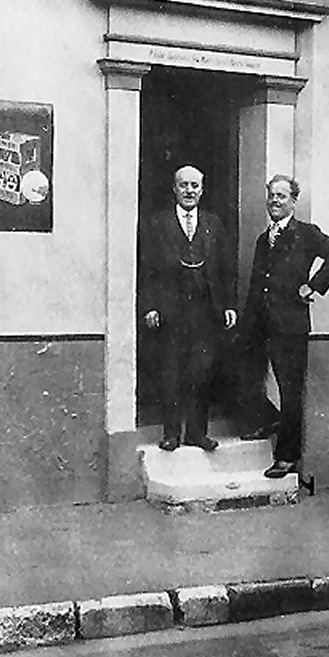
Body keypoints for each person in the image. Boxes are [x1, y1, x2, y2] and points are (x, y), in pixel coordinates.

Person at [240, 175, 329, 478]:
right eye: (271, 195)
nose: (275, 201)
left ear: (293, 201)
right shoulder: (263, 240)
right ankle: (266, 420)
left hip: (290, 326)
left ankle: (287, 456)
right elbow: (256, 285)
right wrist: (247, 324)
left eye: (282, 196)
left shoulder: (306, 233)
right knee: (245, 372)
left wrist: (313, 286)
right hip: (260, 324)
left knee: (290, 391)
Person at [139, 165, 237, 452]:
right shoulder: (158, 223)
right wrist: (150, 306)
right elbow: (147, 268)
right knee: (171, 371)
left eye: (195, 185)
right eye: (184, 185)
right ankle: (172, 433)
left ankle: (197, 433)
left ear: (202, 190)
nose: (189, 191)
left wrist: (228, 305)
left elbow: (226, 268)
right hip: (171, 311)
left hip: (205, 311)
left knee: (201, 372)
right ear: (174, 188)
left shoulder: (213, 224)